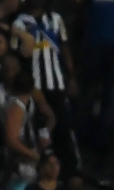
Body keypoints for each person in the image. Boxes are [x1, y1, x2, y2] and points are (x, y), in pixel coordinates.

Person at [12, 0, 80, 174]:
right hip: (34, 85)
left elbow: (64, 48)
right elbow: (16, 53)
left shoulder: (56, 19)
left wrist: (71, 77)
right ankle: (41, 172)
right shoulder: (19, 22)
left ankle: (70, 173)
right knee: (37, 132)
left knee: (64, 129)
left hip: (56, 83)